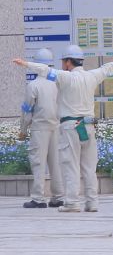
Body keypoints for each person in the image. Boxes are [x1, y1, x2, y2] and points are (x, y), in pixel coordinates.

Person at [13, 45, 113, 213]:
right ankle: (92, 203)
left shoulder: (65, 77)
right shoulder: (92, 76)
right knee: (89, 167)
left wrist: (26, 64)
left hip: (71, 126)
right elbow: (107, 68)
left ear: (67, 62)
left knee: (70, 164)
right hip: (89, 126)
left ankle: (72, 202)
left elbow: (44, 70)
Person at [18, 48, 64, 209]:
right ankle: (58, 197)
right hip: (56, 127)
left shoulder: (33, 85)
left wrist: (23, 129)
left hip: (40, 128)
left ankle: (38, 198)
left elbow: (27, 109)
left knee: (38, 162)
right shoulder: (57, 83)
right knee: (55, 163)